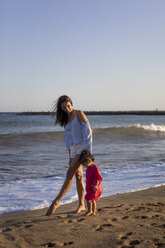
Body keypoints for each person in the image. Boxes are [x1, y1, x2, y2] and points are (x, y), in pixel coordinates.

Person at [46, 95, 92, 216]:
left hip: (82, 147)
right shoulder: (66, 118)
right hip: (72, 149)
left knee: (69, 173)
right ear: (61, 109)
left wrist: (88, 151)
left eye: (68, 106)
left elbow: (88, 132)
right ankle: (82, 205)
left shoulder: (79, 113)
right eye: (64, 107)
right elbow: (68, 137)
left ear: (71, 103)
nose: (67, 109)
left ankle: (56, 202)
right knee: (78, 176)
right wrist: (69, 152)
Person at [79, 150, 103, 216]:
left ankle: (90, 211)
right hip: (90, 186)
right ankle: (93, 212)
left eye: (85, 164)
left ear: (89, 161)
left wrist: (96, 185)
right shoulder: (89, 167)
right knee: (92, 200)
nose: (84, 166)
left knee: (88, 198)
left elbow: (98, 177)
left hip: (95, 187)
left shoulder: (95, 167)